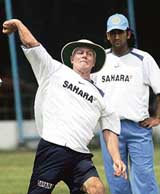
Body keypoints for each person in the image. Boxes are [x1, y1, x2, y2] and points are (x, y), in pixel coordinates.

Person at [2, 19, 127, 194]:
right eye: (80, 52)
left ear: (93, 63)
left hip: (80, 155)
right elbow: (32, 44)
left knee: (96, 189)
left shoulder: (102, 96)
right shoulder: (54, 70)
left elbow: (110, 129)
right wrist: (18, 24)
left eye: (89, 54)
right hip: (53, 148)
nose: (84, 55)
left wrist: (116, 158)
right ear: (71, 59)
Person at [92, 13, 160, 194]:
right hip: (110, 129)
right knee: (117, 180)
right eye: (112, 33)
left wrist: (157, 118)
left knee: (144, 179)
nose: (116, 37)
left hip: (138, 127)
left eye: (120, 32)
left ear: (128, 34)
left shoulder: (143, 59)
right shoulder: (99, 60)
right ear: (107, 35)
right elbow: (87, 90)